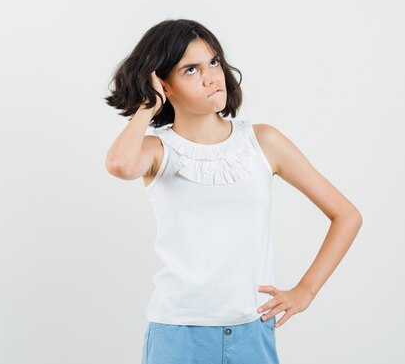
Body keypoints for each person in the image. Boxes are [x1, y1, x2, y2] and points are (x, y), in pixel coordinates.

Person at [104, 19, 362, 364]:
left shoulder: (263, 141)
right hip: (178, 333)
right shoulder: (157, 150)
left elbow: (346, 215)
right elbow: (120, 165)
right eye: (191, 69)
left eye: (213, 62)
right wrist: (147, 106)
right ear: (163, 83)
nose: (212, 77)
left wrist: (305, 292)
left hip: (251, 330)